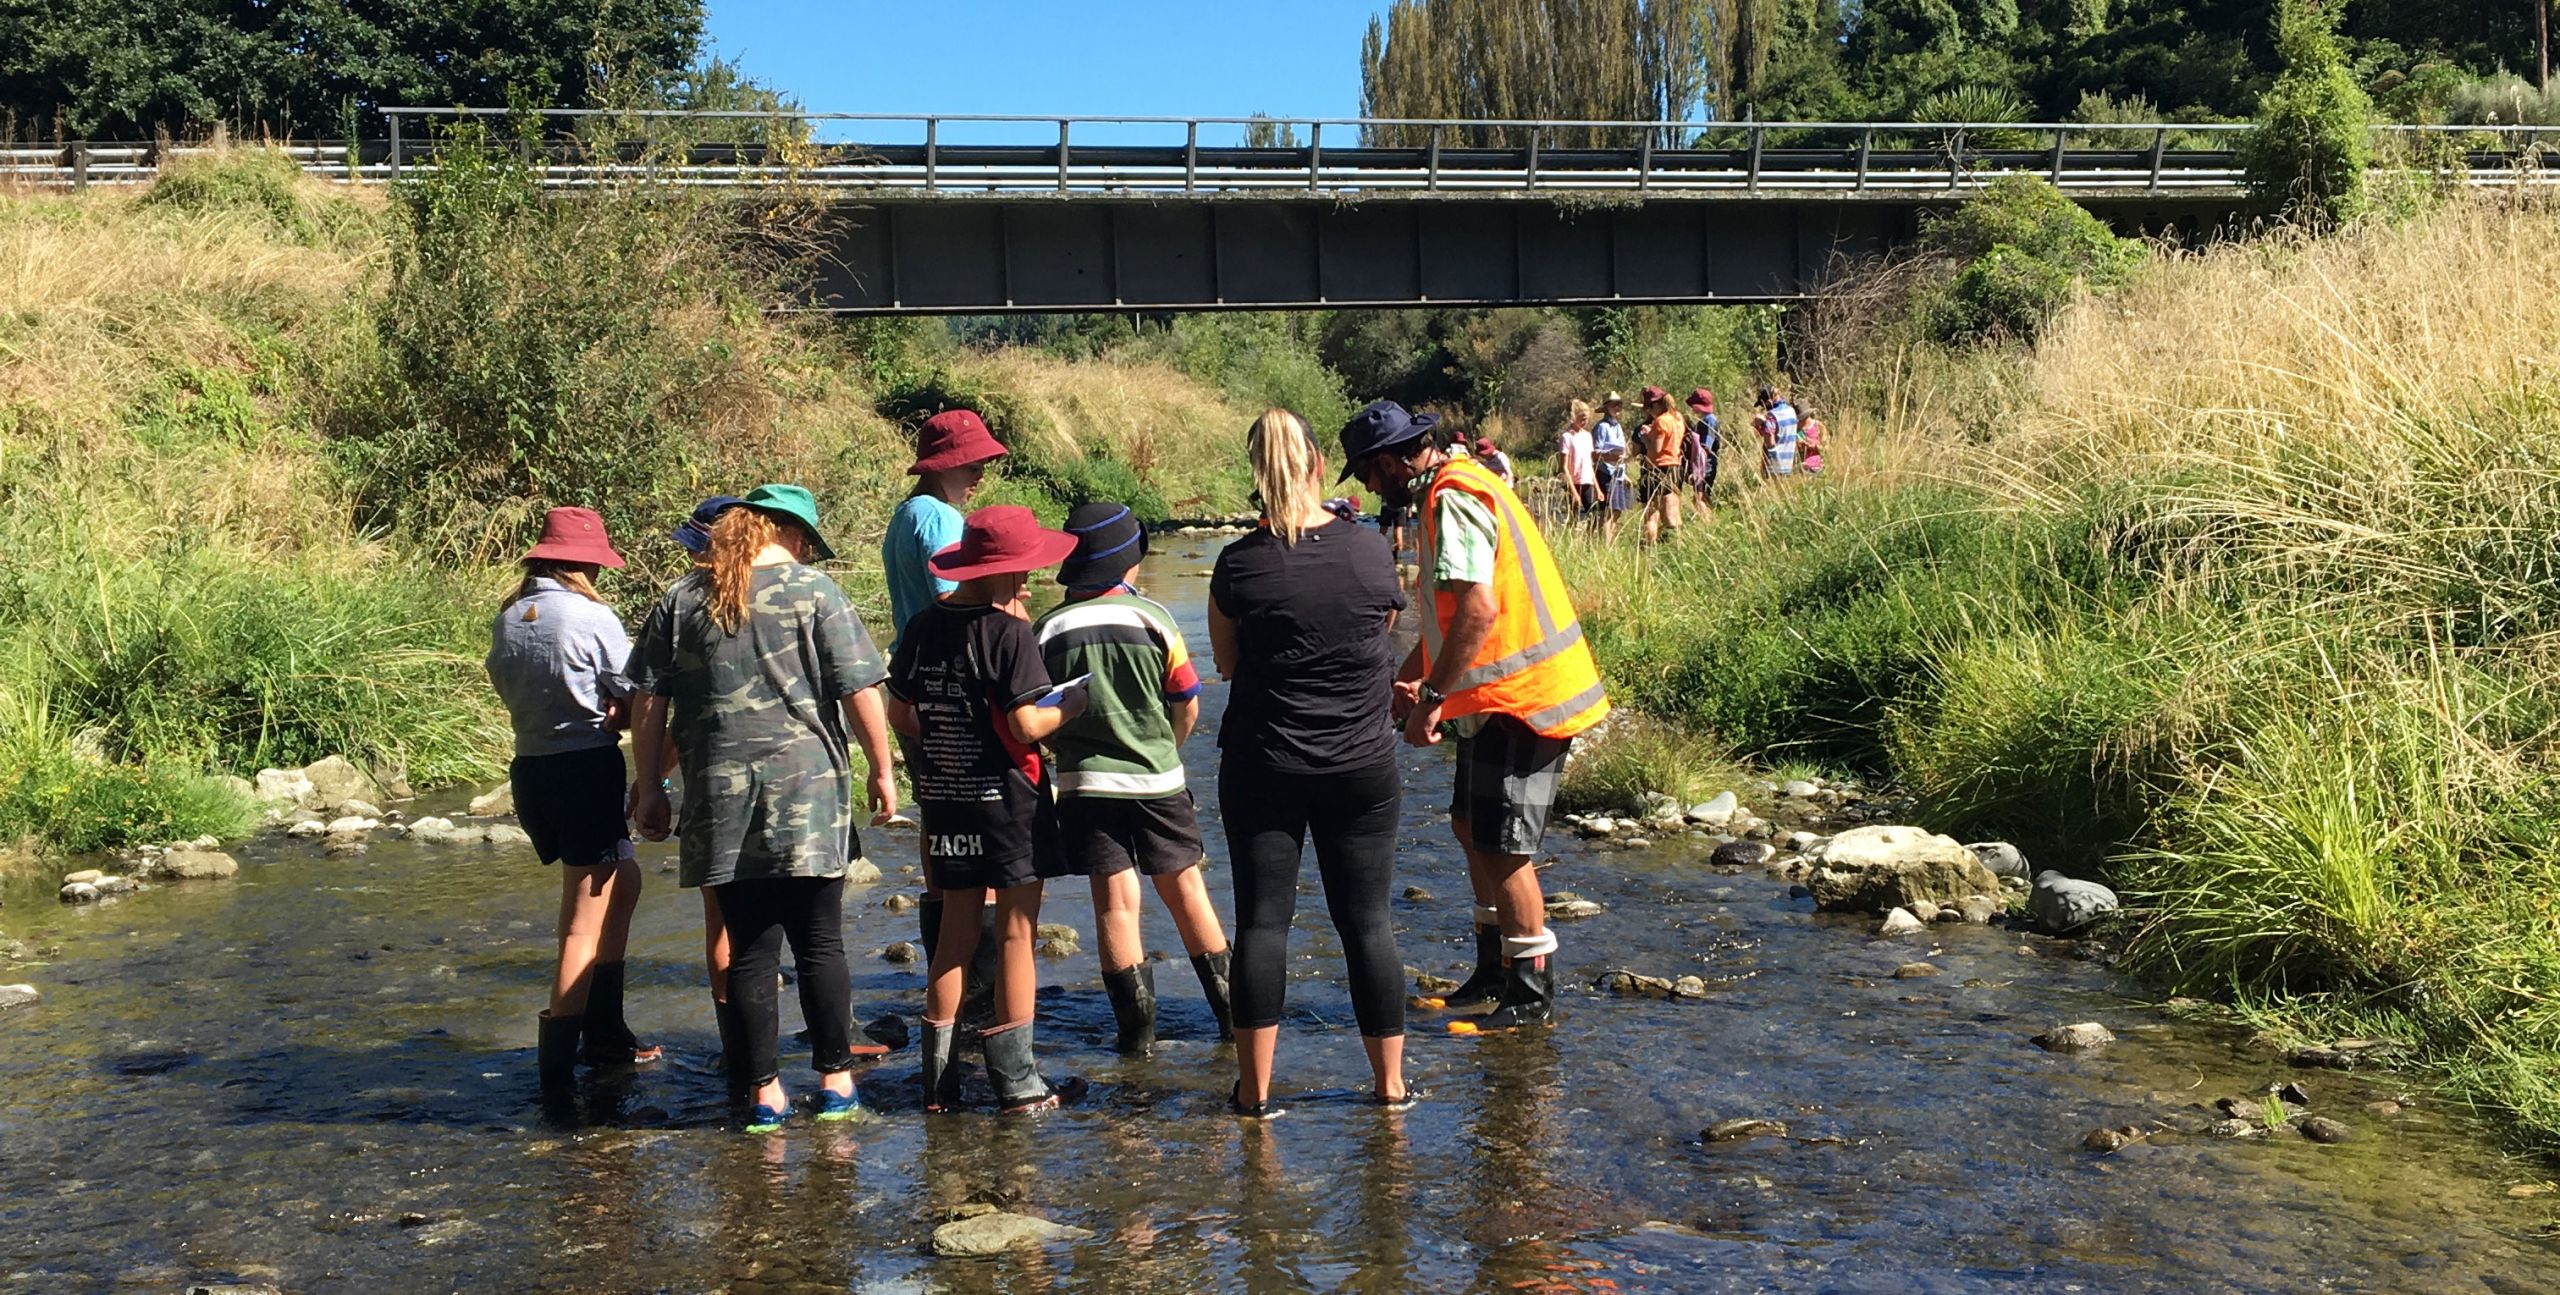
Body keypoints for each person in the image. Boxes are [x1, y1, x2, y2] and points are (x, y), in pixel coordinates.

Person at [628, 484, 899, 1133]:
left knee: (749, 948)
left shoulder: (682, 598)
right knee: (820, 942)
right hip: (810, 793)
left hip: (719, 798)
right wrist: (884, 769)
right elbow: (861, 688)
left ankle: (763, 1095)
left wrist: (648, 785)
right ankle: (835, 1084)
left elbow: (649, 702)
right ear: (792, 535)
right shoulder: (816, 592)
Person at [1341, 400, 1611, 1035]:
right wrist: (1410, 672)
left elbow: (1479, 611)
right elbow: (1448, 618)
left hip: (1523, 697)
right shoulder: (1453, 486)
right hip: (1495, 697)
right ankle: (1493, 971)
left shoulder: (1453, 497)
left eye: (1368, 474)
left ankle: (1530, 992)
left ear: (1389, 461)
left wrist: (1431, 696)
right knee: (1470, 825)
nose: (1369, 489)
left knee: (1503, 843)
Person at [1210, 409, 1412, 1118]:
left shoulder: (1238, 564)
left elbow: (1227, 662)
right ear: (1320, 466)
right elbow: (1383, 627)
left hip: (1264, 764)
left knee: (1263, 925)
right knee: (1369, 924)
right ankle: (1390, 1087)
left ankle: (1255, 1094)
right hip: (1362, 764)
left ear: (1255, 473)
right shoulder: (1370, 549)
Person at [888, 505, 1086, 1115]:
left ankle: (937, 1087)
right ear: (1002, 571)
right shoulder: (1008, 634)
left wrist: (950, 738)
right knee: (1017, 936)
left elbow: (900, 713)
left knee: (953, 937)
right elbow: (1026, 724)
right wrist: (1072, 705)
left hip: (947, 801)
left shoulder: (923, 625)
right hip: (1009, 804)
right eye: (1024, 571)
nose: (1028, 581)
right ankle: (1020, 1085)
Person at [1032, 503, 1235, 1055]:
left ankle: (1136, 1037)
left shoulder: (1047, 628)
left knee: (1115, 905)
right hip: (1156, 781)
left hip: (1084, 786)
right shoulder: (1154, 619)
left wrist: (1064, 750)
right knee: (1186, 890)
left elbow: (1039, 714)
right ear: (1126, 562)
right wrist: (1165, 749)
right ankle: (1232, 1022)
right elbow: (1187, 702)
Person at [486, 506, 659, 1092]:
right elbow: (637, 693)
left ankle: (606, 1028)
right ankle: (558, 1074)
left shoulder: (509, 617)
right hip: (585, 768)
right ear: (583, 565)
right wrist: (617, 713)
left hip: (532, 769)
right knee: (583, 919)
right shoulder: (590, 615)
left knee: (622, 881)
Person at [881, 410, 1010, 993]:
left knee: (938, 821)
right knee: (980, 823)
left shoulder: (904, 515)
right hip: (955, 685)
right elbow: (956, 600)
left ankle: (943, 970)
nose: (980, 473)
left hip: (913, 682)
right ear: (944, 466)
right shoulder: (940, 518)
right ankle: (979, 981)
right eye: (972, 463)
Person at [663, 494, 747, 1078]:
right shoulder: (789, 592)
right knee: (808, 927)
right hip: (794, 784)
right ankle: (830, 1052)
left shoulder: (681, 603)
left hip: (711, 787)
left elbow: (672, 712)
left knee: (720, 917)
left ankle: (737, 1047)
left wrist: (650, 780)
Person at [1636, 386, 1685, 543]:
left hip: (1658, 468)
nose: (1648, 411)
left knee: (1651, 513)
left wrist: (1646, 438)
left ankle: (1649, 548)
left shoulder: (1660, 421)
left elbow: (1656, 450)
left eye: (1649, 407)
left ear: (1657, 405)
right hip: (1675, 466)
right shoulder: (1677, 418)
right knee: (1673, 509)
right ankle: (1678, 543)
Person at [1591, 392, 1631, 541]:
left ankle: (1606, 539)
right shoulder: (1601, 427)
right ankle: (1604, 544)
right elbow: (1595, 453)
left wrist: (1624, 473)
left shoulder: (1618, 426)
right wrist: (1611, 457)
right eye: (1614, 404)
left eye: (1619, 404)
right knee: (1607, 510)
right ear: (1607, 407)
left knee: (1617, 510)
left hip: (1618, 473)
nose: (1618, 407)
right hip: (1605, 473)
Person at [1558, 400, 1599, 525]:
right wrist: (1573, 492)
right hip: (1573, 482)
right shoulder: (1567, 437)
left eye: (1586, 419)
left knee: (1593, 515)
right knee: (1574, 516)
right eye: (1582, 419)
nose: (1584, 422)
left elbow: (1589, 463)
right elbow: (1564, 467)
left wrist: (1597, 488)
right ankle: (1572, 534)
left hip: (1587, 481)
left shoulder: (1587, 436)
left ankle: (1589, 537)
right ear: (1573, 417)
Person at [1684, 388, 1720, 510]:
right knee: (1703, 496)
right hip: (1705, 465)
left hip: (1705, 465)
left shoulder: (1709, 420)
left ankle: (1707, 519)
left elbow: (1706, 447)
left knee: (1698, 499)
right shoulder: (1705, 420)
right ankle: (1711, 517)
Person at [1757, 385, 1800, 481]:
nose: (1764, 408)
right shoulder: (1791, 411)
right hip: (1789, 463)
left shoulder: (1772, 416)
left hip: (1775, 466)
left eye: (1764, 405)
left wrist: (1760, 425)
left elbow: (1770, 441)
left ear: (1769, 401)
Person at [1799, 409, 1826, 475]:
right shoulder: (1797, 429)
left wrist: (1815, 446)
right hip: (1802, 466)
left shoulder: (1819, 426)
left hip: (1818, 466)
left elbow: (1826, 448)